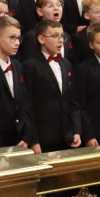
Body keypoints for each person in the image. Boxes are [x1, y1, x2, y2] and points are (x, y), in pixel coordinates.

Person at [0, 16, 38, 150]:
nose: (17, 43)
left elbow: (26, 105)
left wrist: (28, 137)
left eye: (18, 38)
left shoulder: (18, 66)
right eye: (12, 38)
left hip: (21, 140)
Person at [21, 19, 81, 152]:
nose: (60, 41)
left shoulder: (66, 64)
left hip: (67, 137)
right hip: (44, 139)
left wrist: (76, 130)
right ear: (41, 39)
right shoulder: (30, 65)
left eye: (62, 36)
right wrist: (34, 140)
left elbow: (73, 101)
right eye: (55, 36)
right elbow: (27, 106)